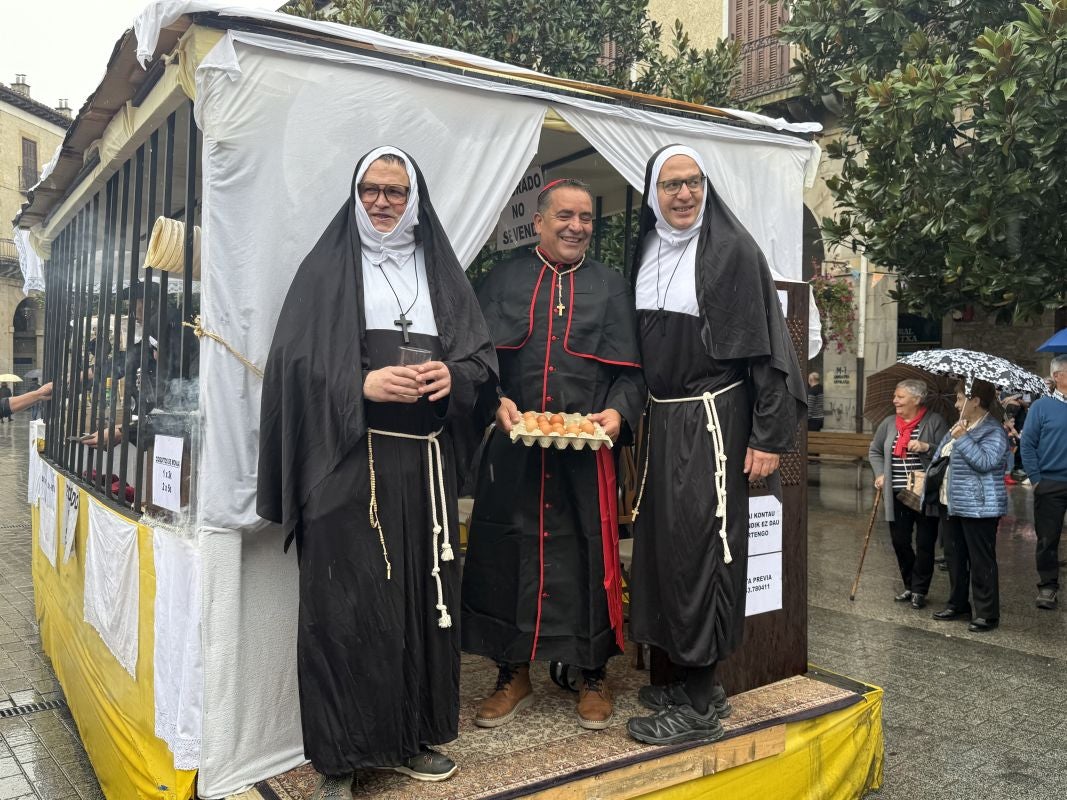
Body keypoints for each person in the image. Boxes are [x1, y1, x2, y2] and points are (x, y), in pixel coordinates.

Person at [257, 147, 497, 797]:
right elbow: (291, 369)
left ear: (414, 198)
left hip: (425, 471)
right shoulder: (326, 270)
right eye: (372, 190)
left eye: (396, 191)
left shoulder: (441, 274)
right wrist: (363, 385)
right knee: (346, 610)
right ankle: (339, 760)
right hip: (347, 468)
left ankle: (409, 737)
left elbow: (480, 364)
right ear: (356, 194)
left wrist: (453, 375)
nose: (384, 202)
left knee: (422, 605)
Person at [621, 145, 805, 745]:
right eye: (671, 184)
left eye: (693, 183)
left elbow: (771, 353)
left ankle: (700, 705)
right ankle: (686, 678)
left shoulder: (732, 253)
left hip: (712, 422)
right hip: (663, 421)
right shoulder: (643, 249)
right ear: (653, 193)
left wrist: (769, 437)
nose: (683, 195)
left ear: (706, 187)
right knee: (664, 554)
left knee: (705, 553)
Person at [461, 178, 645, 732]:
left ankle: (591, 674)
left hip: (585, 451)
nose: (577, 226)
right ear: (539, 222)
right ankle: (511, 671)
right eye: (565, 215)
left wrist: (619, 413)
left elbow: (630, 374)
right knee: (504, 555)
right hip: (515, 451)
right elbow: (477, 360)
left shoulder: (611, 287)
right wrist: (495, 402)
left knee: (588, 558)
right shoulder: (504, 279)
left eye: (586, 218)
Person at [930, 380, 1009, 631]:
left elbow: (986, 462)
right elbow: (940, 456)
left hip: (979, 505)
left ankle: (987, 613)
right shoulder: (959, 425)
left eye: (960, 398)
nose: (956, 403)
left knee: (980, 559)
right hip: (951, 502)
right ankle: (958, 604)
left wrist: (963, 439)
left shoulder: (994, 431)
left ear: (975, 401)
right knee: (955, 557)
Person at [868, 379, 948, 608]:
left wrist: (926, 447)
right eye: (895, 396)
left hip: (924, 494)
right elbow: (874, 450)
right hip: (896, 493)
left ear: (917, 398)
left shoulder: (935, 421)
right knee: (900, 541)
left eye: (900, 397)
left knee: (925, 543)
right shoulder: (888, 423)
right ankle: (910, 584)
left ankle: (920, 590)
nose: (895, 400)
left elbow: (946, 452)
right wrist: (880, 474)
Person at [1020, 355, 1067, 610]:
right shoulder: (1041, 407)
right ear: (1058, 376)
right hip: (1051, 482)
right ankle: (1048, 587)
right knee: (1048, 538)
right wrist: (1037, 480)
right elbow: (1027, 445)